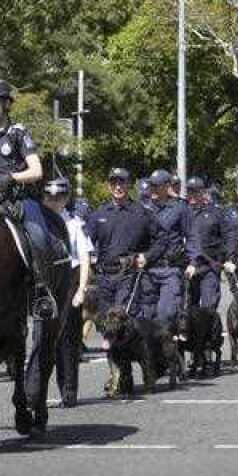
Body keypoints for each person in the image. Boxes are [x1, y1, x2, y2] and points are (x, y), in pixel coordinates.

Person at [0, 79, 61, 318]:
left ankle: (41, 292)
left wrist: (12, 178)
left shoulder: (18, 133)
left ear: (6, 103)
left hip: (18, 200)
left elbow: (36, 171)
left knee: (38, 237)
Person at [42, 177, 92, 408]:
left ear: (66, 199)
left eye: (59, 197)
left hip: (69, 281)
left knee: (67, 341)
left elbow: (83, 259)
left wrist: (81, 290)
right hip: (45, 282)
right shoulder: (38, 223)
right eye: (50, 197)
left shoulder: (74, 224)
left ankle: (68, 391)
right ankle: (36, 393)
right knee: (41, 341)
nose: (54, 201)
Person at [84, 168, 157, 317]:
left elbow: (160, 241)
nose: (118, 187)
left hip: (128, 276)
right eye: (113, 182)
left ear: (129, 185)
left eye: (122, 182)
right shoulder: (99, 214)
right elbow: (85, 243)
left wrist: (147, 256)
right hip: (104, 277)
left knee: (120, 320)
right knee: (105, 322)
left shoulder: (142, 213)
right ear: (109, 186)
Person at [141, 169, 190, 326]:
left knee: (166, 314)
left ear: (167, 186)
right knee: (147, 316)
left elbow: (191, 237)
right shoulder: (143, 208)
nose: (152, 189)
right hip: (148, 269)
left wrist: (193, 262)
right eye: (151, 186)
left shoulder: (180, 208)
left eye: (157, 186)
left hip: (170, 269)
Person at [183, 177, 225, 311]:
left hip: (209, 267)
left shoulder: (215, 213)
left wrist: (222, 261)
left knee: (209, 309)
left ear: (203, 193)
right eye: (190, 191)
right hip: (188, 268)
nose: (193, 195)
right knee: (190, 310)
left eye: (196, 192)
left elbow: (225, 237)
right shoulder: (182, 212)